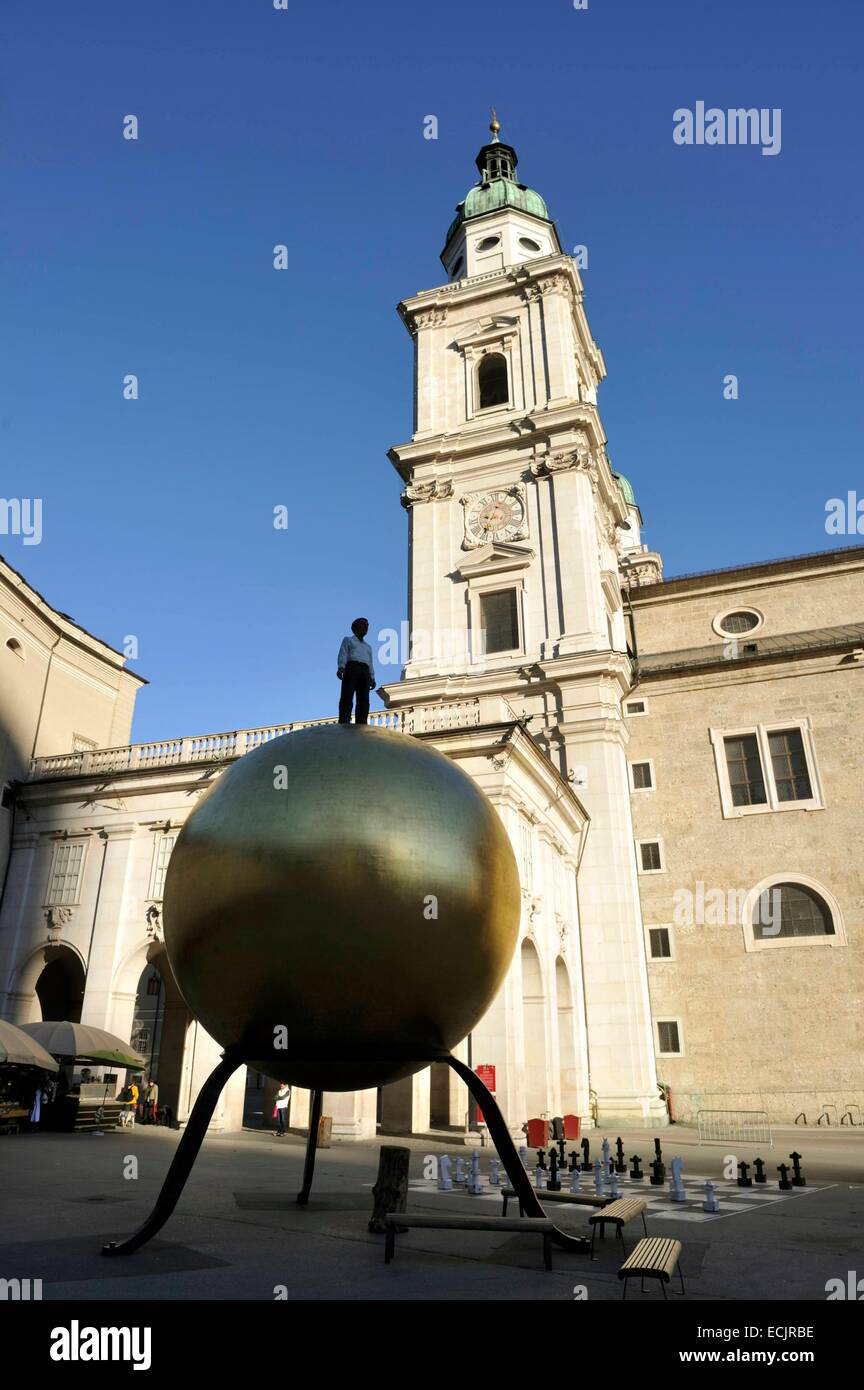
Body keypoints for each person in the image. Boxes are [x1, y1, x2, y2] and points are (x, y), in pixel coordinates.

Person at [337, 618, 376, 725]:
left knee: (364, 699)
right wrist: (341, 667)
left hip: (365, 671)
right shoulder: (348, 640)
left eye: (367, 625)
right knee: (347, 695)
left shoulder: (368, 647)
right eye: (363, 624)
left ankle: (362, 721)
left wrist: (372, 677)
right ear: (355, 627)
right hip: (352, 667)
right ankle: (344, 719)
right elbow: (343, 653)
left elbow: (370, 663)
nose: (365, 627)